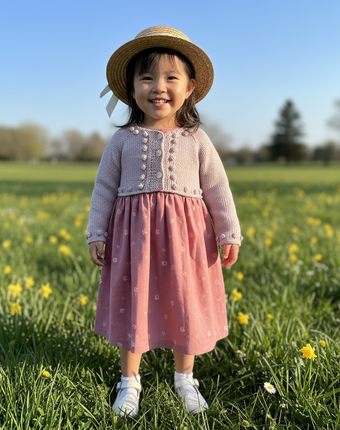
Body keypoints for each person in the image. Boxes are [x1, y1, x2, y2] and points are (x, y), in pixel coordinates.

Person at [86, 26, 242, 418]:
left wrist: (228, 231)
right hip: (132, 241)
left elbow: (217, 187)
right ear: (132, 87)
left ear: (189, 87)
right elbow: (104, 187)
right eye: (147, 77)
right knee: (133, 300)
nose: (159, 86)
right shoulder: (123, 140)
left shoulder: (196, 139)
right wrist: (97, 232)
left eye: (171, 77)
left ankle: (185, 378)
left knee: (185, 302)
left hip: (187, 242)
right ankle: (129, 381)